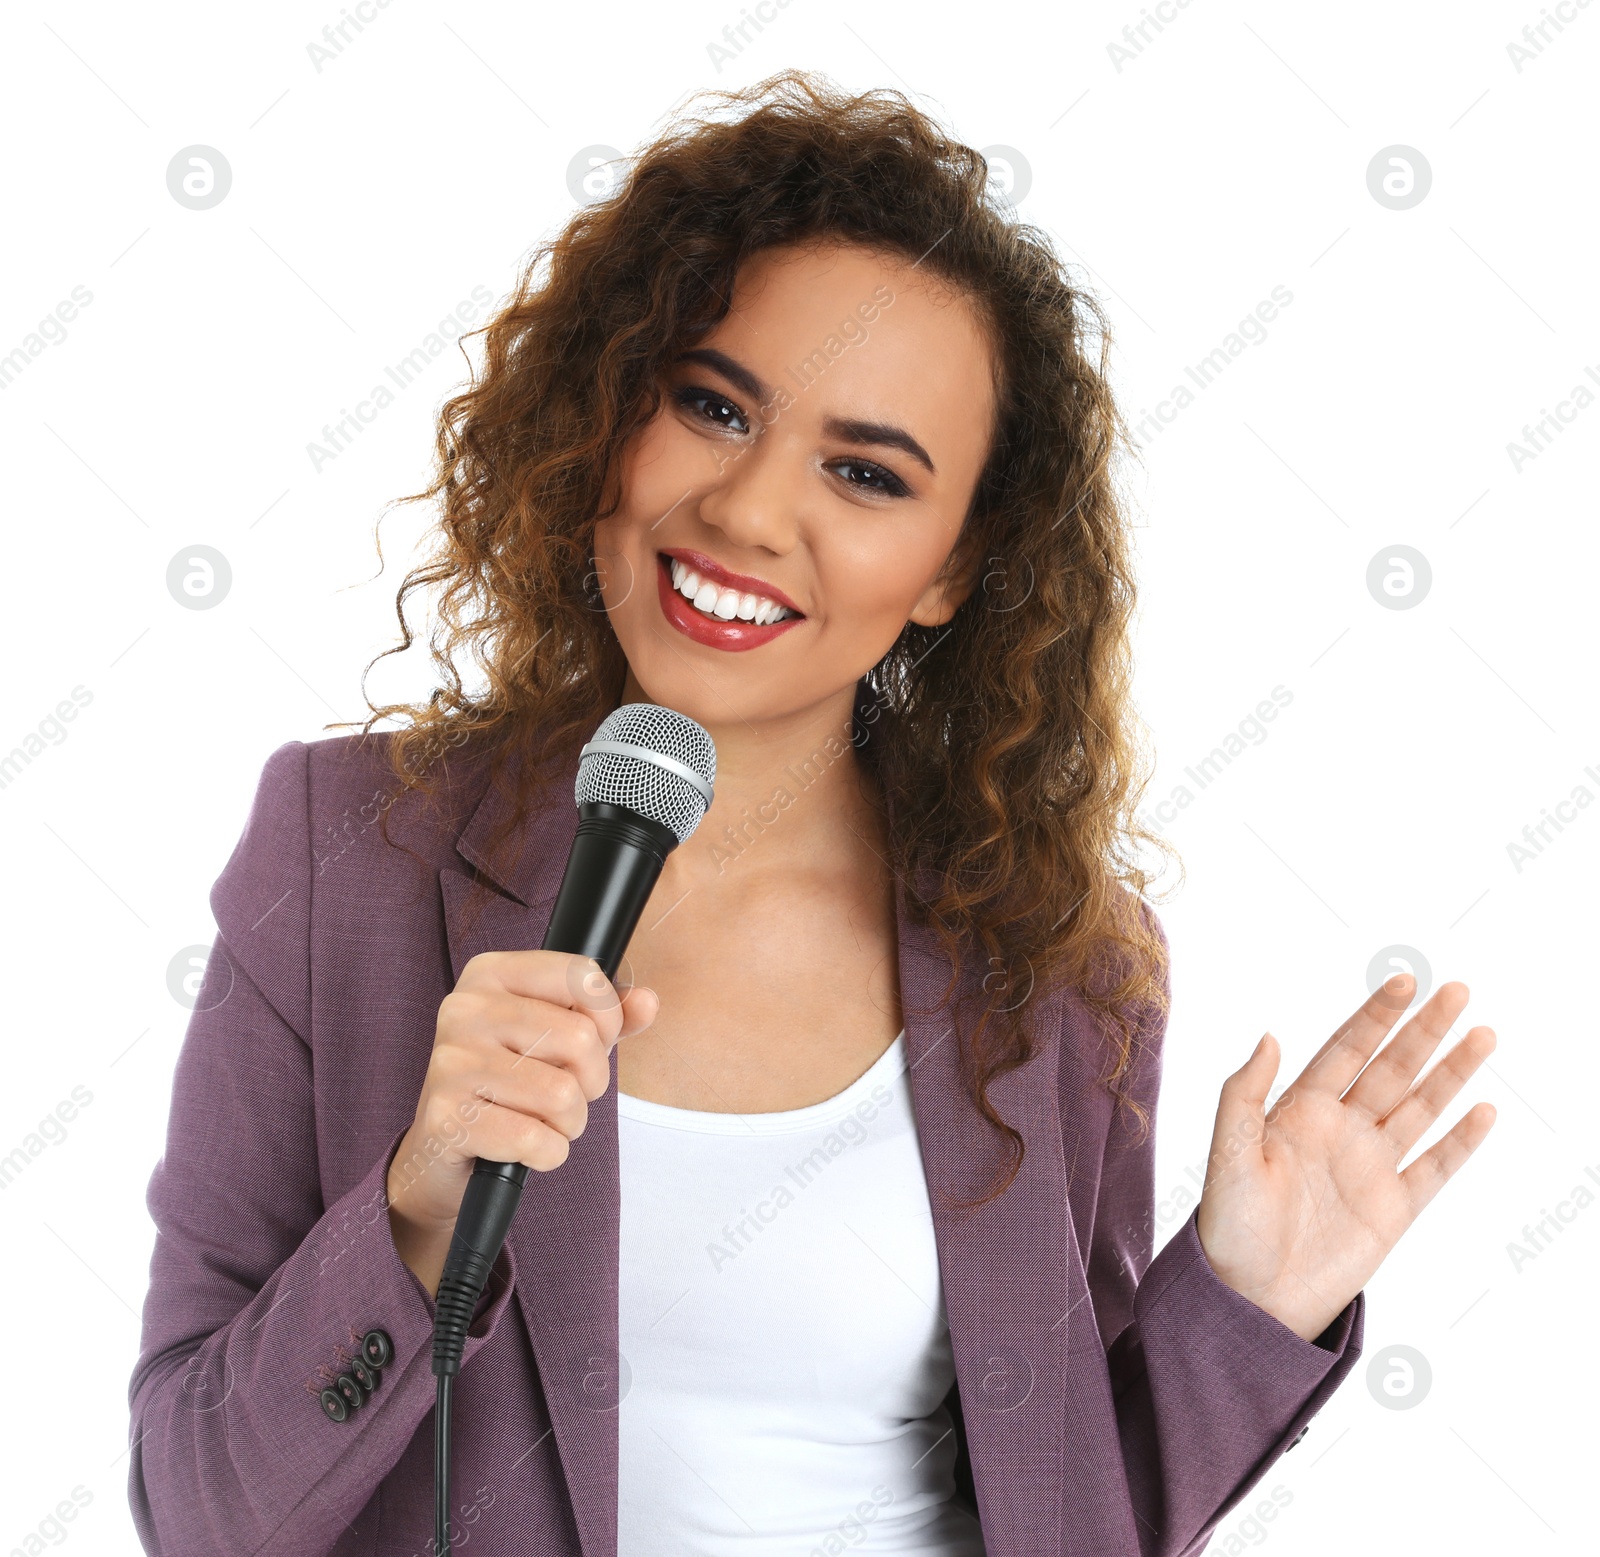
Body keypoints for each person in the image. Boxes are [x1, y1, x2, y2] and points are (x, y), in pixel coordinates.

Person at [128, 69, 1497, 1557]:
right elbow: (202, 1515)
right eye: (713, 405)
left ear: (952, 572)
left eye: (864, 471)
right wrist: (411, 1213)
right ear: (608, 411)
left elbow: (1068, 1518)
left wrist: (1244, 1303)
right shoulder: (347, 852)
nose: (752, 510)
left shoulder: (1057, 957)